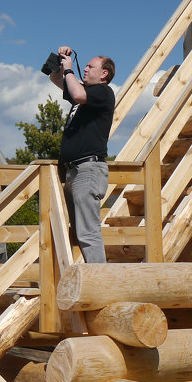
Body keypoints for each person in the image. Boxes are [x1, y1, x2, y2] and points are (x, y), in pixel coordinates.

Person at [48, 47, 115, 263]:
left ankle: (101, 285)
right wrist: (60, 61)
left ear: (104, 74)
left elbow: (77, 93)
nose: (85, 69)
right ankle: (93, 281)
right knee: (80, 232)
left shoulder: (103, 92)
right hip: (75, 171)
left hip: (88, 169)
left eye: (90, 66)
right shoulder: (86, 94)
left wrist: (69, 71)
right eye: (84, 65)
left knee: (88, 233)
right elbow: (55, 79)